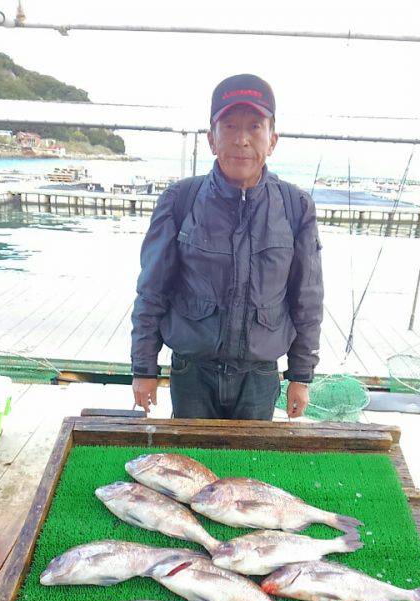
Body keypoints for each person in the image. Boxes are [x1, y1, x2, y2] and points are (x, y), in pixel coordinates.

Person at [131, 74, 323, 420]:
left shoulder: (297, 207)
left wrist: (301, 375)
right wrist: (144, 369)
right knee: (188, 466)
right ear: (211, 139)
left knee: (247, 468)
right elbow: (152, 290)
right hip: (192, 373)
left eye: (254, 126)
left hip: (261, 376)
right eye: (229, 126)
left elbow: (306, 299)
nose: (242, 140)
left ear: (272, 139)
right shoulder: (179, 200)